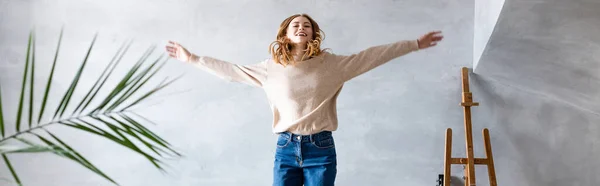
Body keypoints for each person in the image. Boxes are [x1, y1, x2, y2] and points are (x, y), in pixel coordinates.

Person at [166, 13, 443, 186]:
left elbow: (371, 56)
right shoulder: (270, 68)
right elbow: (231, 72)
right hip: (285, 147)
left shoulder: (331, 64)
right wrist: (192, 59)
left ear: (313, 34)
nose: (302, 27)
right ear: (285, 34)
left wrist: (413, 45)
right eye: (296, 25)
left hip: (320, 148)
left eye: (307, 25)